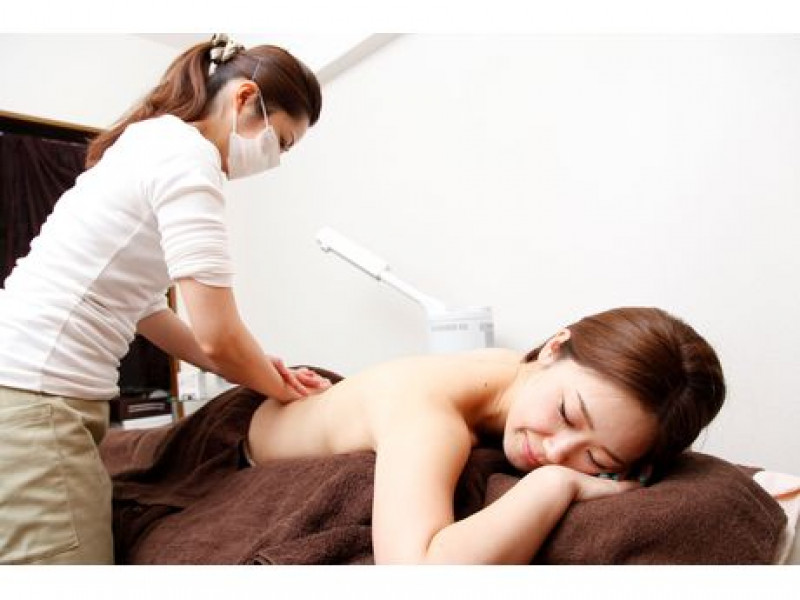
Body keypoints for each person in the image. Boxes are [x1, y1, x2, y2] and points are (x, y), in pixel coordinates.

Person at [0, 34, 330, 565]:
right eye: (282, 142)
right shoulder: (187, 158)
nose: (276, 160)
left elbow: (149, 310)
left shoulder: (150, 141)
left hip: (30, 393)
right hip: (35, 397)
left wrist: (257, 366)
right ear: (245, 98)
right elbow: (219, 336)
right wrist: (281, 387)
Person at [246, 306, 726, 564]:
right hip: (252, 431)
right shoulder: (428, 417)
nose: (555, 450)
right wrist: (555, 485)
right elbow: (413, 578)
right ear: (554, 346)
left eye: (597, 460)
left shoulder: (513, 373)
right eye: (566, 413)